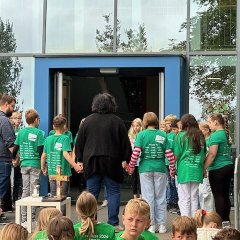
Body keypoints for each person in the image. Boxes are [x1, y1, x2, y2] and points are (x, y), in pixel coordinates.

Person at [75, 93, 132, 231]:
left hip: (92, 161)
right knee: (113, 192)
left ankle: (90, 222)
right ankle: (113, 223)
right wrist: (126, 159)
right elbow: (125, 143)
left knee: (92, 193)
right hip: (112, 161)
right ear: (112, 105)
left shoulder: (87, 121)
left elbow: (79, 142)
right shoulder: (117, 121)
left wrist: (80, 159)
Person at [128, 112, 169, 234]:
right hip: (160, 168)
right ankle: (162, 225)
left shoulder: (141, 135)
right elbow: (169, 154)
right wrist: (172, 168)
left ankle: (151, 224)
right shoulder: (163, 134)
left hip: (145, 169)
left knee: (148, 197)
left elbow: (136, 153)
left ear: (145, 122)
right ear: (156, 121)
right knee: (161, 197)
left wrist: (131, 166)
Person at [12, 109, 45, 225]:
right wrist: (44, 165)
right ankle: (31, 219)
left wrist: (14, 159)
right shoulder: (39, 133)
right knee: (34, 192)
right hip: (35, 165)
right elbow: (41, 151)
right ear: (36, 120)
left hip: (24, 164)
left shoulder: (21, 132)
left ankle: (24, 219)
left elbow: (15, 148)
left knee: (25, 191)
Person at [172, 114, 205, 217]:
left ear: (184, 123)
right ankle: (194, 222)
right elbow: (204, 154)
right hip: (197, 169)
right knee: (194, 197)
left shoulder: (180, 136)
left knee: (184, 198)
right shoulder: (200, 136)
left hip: (184, 170)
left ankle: (186, 222)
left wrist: (172, 168)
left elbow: (176, 155)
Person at [41, 114, 81, 198]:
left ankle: (54, 212)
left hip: (52, 172)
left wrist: (43, 168)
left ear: (53, 126)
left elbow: (43, 156)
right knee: (62, 197)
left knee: (53, 196)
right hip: (63, 172)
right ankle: (61, 212)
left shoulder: (48, 139)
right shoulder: (65, 138)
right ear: (64, 126)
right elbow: (65, 154)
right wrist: (75, 165)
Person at [204, 113, 234, 223]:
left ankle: (221, 222)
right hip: (228, 166)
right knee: (225, 195)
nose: (209, 125)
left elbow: (212, 154)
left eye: (209, 122)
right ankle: (226, 221)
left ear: (216, 122)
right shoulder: (225, 134)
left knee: (219, 196)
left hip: (218, 168)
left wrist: (204, 168)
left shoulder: (216, 135)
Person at [0, 94, 16, 216]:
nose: (13, 109)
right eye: (12, 106)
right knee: (1, 188)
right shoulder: (4, 120)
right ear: (6, 105)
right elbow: (10, 143)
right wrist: (17, 157)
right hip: (3, 159)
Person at [198, 122, 215, 211]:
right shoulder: (203, 141)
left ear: (207, 130)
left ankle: (208, 212)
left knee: (206, 192)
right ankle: (204, 210)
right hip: (202, 168)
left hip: (207, 168)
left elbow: (209, 155)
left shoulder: (209, 141)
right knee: (202, 192)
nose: (199, 131)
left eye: (201, 130)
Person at [165, 118, 180, 214]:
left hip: (173, 162)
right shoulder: (169, 135)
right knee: (170, 183)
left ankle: (174, 203)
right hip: (168, 162)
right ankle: (171, 202)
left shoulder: (177, 136)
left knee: (173, 183)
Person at [10, 111, 23, 205]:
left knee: (17, 181)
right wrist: (13, 159)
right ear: (11, 119)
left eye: (19, 118)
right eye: (16, 118)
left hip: (19, 159)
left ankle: (15, 201)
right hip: (10, 159)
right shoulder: (9, 130)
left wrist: (18, 159)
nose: (18, 120)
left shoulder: (21, 131)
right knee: (10, 182)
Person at [128, 118, 143, 199]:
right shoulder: (130, 136)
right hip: (133, 161)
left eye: (137, 126)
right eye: (134, 126)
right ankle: (134, 197)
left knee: (140, 179)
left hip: (141, 160)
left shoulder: (142, 135)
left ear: (141, 126)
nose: (136, 128)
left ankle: (141, 197)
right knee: (134, 179)